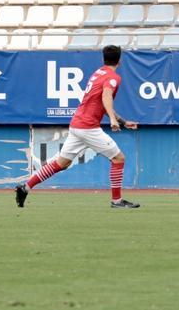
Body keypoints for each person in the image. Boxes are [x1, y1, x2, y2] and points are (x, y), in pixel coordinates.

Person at [15, 45, 141, 209]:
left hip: (77, 124)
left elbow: (99, 102)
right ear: (120, 60)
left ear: (104, 59)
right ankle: (116, 201)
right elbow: (106, 96)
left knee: (61, 163)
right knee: (118, 158)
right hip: (88, 128)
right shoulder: (113, 77)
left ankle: (25, 188)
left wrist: (122, 121)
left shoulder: (98, 73)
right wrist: (112, 119)